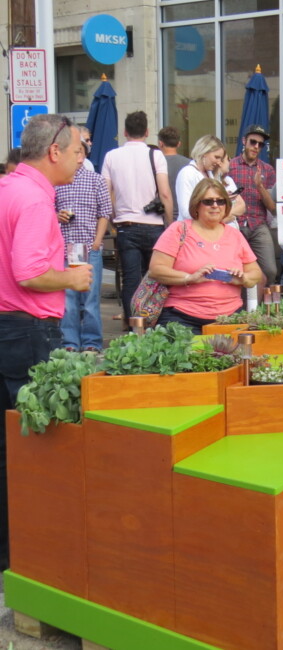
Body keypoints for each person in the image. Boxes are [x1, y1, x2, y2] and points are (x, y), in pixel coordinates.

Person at [0, 114, 93, 570]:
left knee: (8, 446)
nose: (82, 159)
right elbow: (31, 273)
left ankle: (10, 556)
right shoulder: (35, 200)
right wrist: (72, 278)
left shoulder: (8, 189)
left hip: (9, 327)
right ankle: (32, 557)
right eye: (78, 150)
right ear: (54, 151)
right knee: (34, 446)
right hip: (28, 330)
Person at [149, 178, 262, 333]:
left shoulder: (235, 235)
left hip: (228, 319)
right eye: (208, 201)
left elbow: (256, 273)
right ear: (197, 205)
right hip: (182, 317)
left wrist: (243, 278)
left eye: (221, 201)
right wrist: (190, 278)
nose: (215, 205)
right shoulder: (179, 230)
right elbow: (156, 269)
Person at [102, 110, 174, 324]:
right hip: (153, 225)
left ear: (125, 132)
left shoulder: (111, 156)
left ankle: (133, 324)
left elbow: (107, 193)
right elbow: (165, 193)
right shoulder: (155, 155)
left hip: (126, 225)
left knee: (130, 279)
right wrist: (169, 222)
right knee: (156, 277)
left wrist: (115, 216)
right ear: (147, 132)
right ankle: (154, 322)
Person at [56, 159, 112, 352]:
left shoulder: (96, 180)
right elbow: (47, 210)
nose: (77, 157)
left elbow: (105, 212)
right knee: (68, 299)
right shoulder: (58, 181)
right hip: (65, 247)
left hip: (89, 246)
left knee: (90, 298)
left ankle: (91, 342)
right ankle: (69, 342)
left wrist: (97, 242)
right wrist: (57, 216)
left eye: (80, 151)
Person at [228, 125, 279, 299]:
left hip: (258, 223)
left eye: (260, 144)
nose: (256, 147)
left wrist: (260, 186)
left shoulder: (267, 170)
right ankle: (245, 305)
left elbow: (273, 208)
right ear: (244, 141)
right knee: (237, 269)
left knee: (270, 270)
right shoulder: (230, 166)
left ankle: (262, 308)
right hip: (235, 224)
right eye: (253, 142)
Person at [157, 126, 192, 222]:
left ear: (160, 143)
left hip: (160, 215)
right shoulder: (190, 164)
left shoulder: (154, 164)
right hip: (185, 215)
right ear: (179, 144)